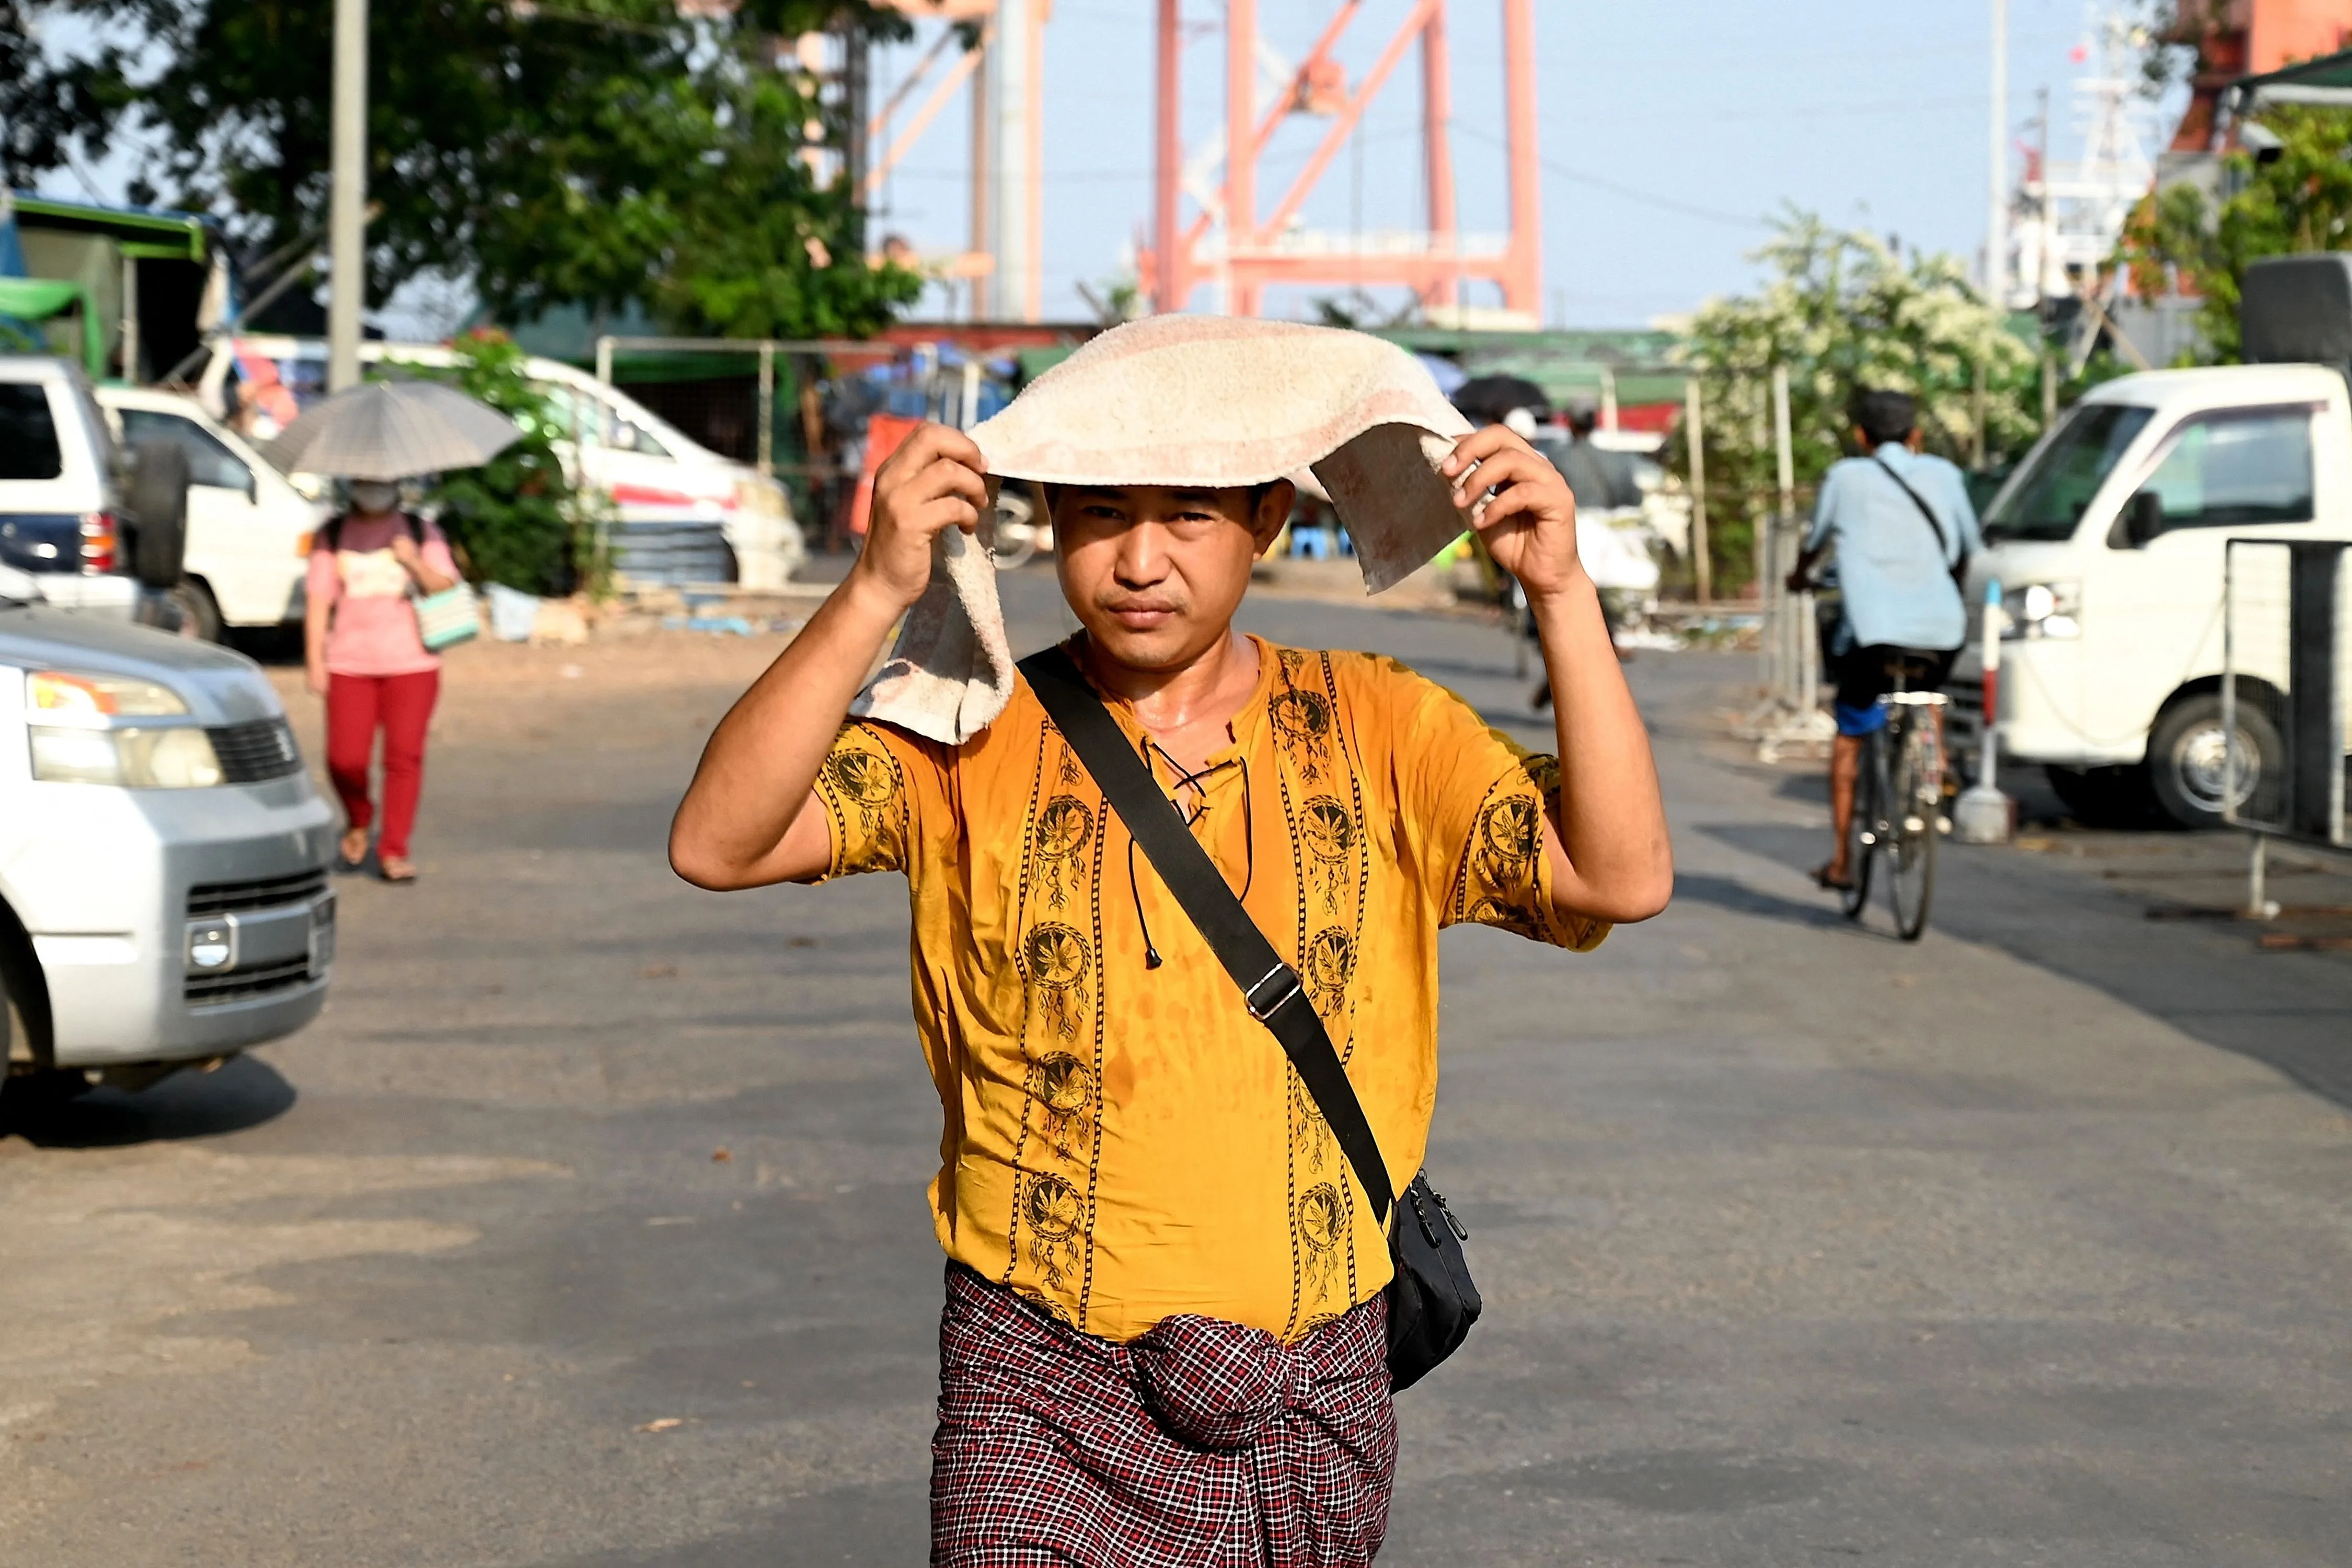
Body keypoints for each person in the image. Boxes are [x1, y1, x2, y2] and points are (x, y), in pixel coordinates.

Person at [670, 412, 1671, 1565]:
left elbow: (1618, 875)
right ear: (1047, 526)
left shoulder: (1381, 724)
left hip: (1307, 1382)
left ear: (1269, 523)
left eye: (1189, 516)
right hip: (1036, 1372)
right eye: (1101, 516)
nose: (1141, 563)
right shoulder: (964, 731)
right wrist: (871, 592)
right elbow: (719, 844)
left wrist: (1563, 593)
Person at [1786, 388, 1982, 891]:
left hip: (1873, 636)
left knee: (1851, 731)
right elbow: (1966, 547)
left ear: (1861, 436)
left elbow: (1814, 543)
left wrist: (1800, 576)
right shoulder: (1946, 474)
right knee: (1927, 690)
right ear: (1915, 435)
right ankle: (1932, 765)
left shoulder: (1846, 477)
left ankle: (1841, 861)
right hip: (1941, 631)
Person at [303, 479, 460, 883]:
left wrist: (413, 561)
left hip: (413, 663)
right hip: (349, 664)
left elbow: (446, 584)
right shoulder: (333, 534)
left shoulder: (420, 530)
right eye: (364, 482)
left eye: (382, 483)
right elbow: (319, 600)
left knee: (404, 757)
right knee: (344, 759)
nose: (373, 489)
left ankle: (394, 848)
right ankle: (359, 818)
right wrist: (314, 661)